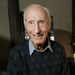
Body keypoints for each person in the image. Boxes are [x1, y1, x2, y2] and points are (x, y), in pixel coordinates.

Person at [7, 4, 70, 75]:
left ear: (49, 26)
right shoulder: (16, 53)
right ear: (26, 29)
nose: (37, 30)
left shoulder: (59, 49)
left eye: (41, 22)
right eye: (31, 23)